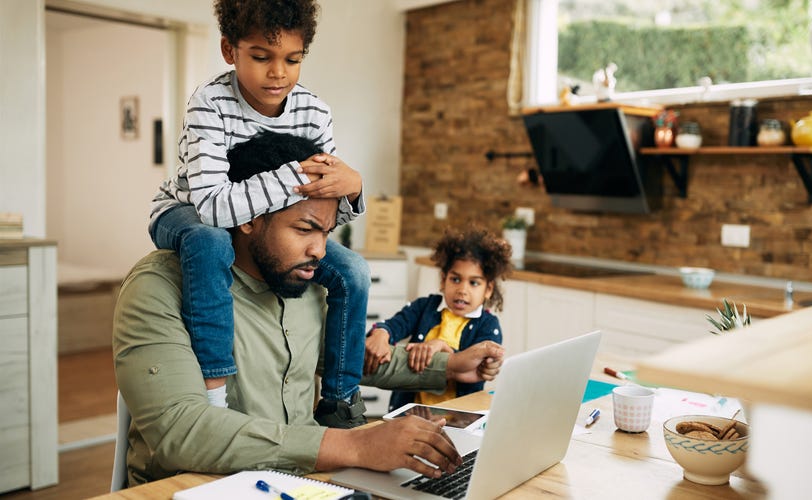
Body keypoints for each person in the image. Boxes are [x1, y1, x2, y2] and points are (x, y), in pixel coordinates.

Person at [114, 131, 506, 486]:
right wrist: (355, 446)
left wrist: (450, 368)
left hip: (305, 485)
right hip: (197, 488)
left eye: (326, 232)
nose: (319, 250)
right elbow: (181, 432)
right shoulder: (159, 287)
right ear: (248, 216)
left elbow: (344, 358)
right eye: (304, 230)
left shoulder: (304, 279)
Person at [148, 0, 370, 428]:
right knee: (211, 243)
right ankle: (214, 394)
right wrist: (292, 177)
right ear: (230, 50)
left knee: (354, 271)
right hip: (186, 209)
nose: (278, 73)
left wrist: (353, 186)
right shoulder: (209, 103)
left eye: (292, 59)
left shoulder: (313, 112)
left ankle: (340, 398)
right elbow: (213, 206)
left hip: (256, 224)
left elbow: (322, 212)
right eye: (261, 57)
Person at [364, 227, 513, 411]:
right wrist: (381, 332)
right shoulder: (424, 307)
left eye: (474, 282)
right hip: (411, 413)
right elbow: (394, 325)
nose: (462, 290)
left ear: (488, 289)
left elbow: (474, 365)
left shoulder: (489, 326)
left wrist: (442, 347)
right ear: (443, 280)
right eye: (455, 279)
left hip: (457, 419)